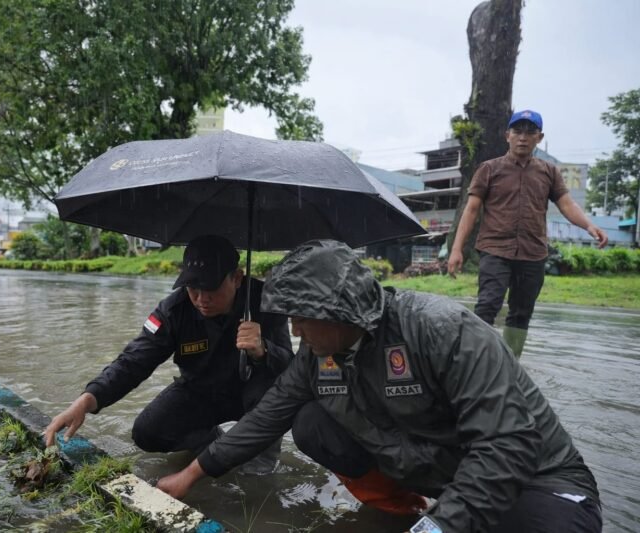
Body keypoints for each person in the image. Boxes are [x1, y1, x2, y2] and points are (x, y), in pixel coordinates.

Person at [157, 240, 602, 533]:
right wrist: (189, 476)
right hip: (440, 472)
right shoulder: (316, 354)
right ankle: (406, 510)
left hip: (535, 482)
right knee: (309, 421)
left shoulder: (443, 330)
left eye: (301, 317)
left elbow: (505, 447)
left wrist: (437, 528)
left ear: (338, 312)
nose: (293, 330)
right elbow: (265, 418)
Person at [43, 234, 293, 470]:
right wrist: (86, 401)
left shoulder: (266, 302)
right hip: (202, 390)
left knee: (255, 465)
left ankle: (260, 464)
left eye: (211, 288)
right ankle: (213, 445)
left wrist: (264, 350)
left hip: (254, 395)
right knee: (147, 432)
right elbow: (133, 362)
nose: (201, 299)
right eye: (193, 288)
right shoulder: (173, 311)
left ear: (237, 278)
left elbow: (292, 370)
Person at [447, 109, 608, 357]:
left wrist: (589, 225)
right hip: (495, 250)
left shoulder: (549, 172)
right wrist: (457, 249)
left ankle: (511, 365)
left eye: (530, 132)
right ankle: (476, 362)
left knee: (521, 313)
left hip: (533, 254)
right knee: (487, 305)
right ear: (507, 135)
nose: (523, 137)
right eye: (517, 131)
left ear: (539, 138)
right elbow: (471, 210)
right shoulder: (489, 169)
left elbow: (566, 204)